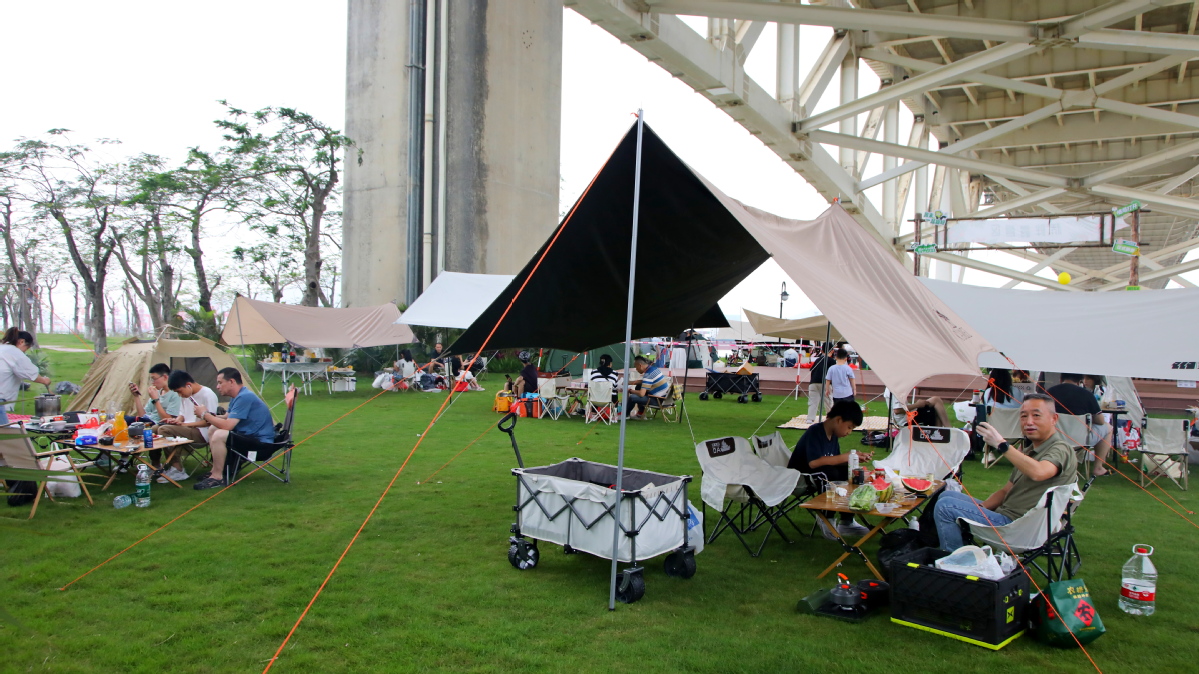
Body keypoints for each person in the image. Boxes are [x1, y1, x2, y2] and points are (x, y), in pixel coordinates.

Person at [933, 394, 1078, 550]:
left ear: (1054, 419)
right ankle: (955, 547)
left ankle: (953, 561)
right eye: (1023, 416)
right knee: (947, 495)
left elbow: (1040, 472)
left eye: (1036, 415)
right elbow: (1005, 491)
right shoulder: (1031, 451)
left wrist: (1002, 445)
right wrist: (980, 509)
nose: (1029, 422)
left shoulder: (1061, 449)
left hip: (1017, 528)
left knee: (946, 506)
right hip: (1006, 517)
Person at [787, 400, 870, 538]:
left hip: (818, 476)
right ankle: (826, 518)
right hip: (801, 479)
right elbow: (814, 463)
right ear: (838, 420)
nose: (849, 432)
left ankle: (847, 521)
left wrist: (854, 459)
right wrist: (845, 456)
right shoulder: (815, 431)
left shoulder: (833, 437)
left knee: (850, 473)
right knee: (829, 473)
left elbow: (834, 460)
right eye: (849, 427)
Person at [192, 368, 276, 490]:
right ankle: (214, 471)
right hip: (250, 438)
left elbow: (228, 426)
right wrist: (210, 416)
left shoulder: (244, 397)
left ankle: (218, 478)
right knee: (213, 428)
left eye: (220, 383)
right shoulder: (238, 395)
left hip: (261, 444)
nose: (217, 386)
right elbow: (227, 416)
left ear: (231, 381)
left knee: (220, 434)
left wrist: (205, 414)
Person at [156, 370, 220, 481]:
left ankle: (177, 469)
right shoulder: (185, 396)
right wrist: (176, 421)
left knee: (164, 430)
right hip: (187, 428)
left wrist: (185, 424)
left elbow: (210, 421)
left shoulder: (207, 394)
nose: (180, 395)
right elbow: (182, 414)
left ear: (188, 385)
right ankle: (155, 464)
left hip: (202, 432)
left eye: (180, 391)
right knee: (154, 428)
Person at [1048, 372, 1114, 477]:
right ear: (1080, 381)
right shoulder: (1087, 395)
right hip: (1079, 440)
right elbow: (1100, 421)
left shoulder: (1049, 392)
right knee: (1108, 428)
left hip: (1053, 437)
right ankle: (1098, 467)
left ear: (1061, 379)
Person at [127, 363, 185, 481]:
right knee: (121, 421)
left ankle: (154, 464)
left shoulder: (174, 394)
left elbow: (168, 418)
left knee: (138, 425)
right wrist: (136, 397)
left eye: (154, 379)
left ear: (165, 377)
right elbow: (142, 415)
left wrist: (156, 400)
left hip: (161, 423)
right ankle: (120, 458)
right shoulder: (157, 392)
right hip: (148, 421)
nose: (152, 383)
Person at [0, 328, 50, 425]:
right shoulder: (14, 352)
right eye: (26, 348)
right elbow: (31, 373)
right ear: (21, 342)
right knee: (4, 435)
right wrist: (45, 380)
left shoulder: (2, 348)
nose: (24, 352)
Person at [626, 355, 669, 420]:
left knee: (632, 397)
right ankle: (640, 413)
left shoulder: (648, 374)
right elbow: (644, 382)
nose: (636, 369)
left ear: (640, 365)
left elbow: (641, 394)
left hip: (658, 401)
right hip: (666, 399)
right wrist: (630, 382)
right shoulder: (654, 369)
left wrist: (630, 390)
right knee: (639, 386)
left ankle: (625, 415)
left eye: (636, 367)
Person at [806, 342, 834, 421]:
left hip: (813, 382)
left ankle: (810, 419)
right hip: (825, 383)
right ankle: (830, 418)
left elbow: (812, 371)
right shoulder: (832, 361)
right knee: (828, 401)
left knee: (813, 402)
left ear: (821, 351)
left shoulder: (817, 360)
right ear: (832, 351)